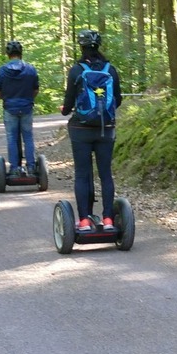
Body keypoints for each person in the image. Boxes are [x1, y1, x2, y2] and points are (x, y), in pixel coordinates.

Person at [60, 29, 123, 232]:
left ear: (81, 47)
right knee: (105, 174)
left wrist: (66, 110)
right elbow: (118, 100)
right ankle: (108, 220)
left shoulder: (76, 70)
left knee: (82, 174)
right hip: (106, 129)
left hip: (81, 129)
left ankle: (85, 221)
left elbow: (68, 104)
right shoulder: (110, 69)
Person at [0, 40, 40, 176]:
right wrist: (27, 98)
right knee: (28, 137)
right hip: (26, 107)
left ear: (8, 54)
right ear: (21, 53)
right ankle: (31, 167)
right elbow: (36, 90)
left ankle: (15, 168)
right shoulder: (30, 69)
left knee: (12, 138)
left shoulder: (2, 71)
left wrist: (7, 97)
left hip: (10, 108)